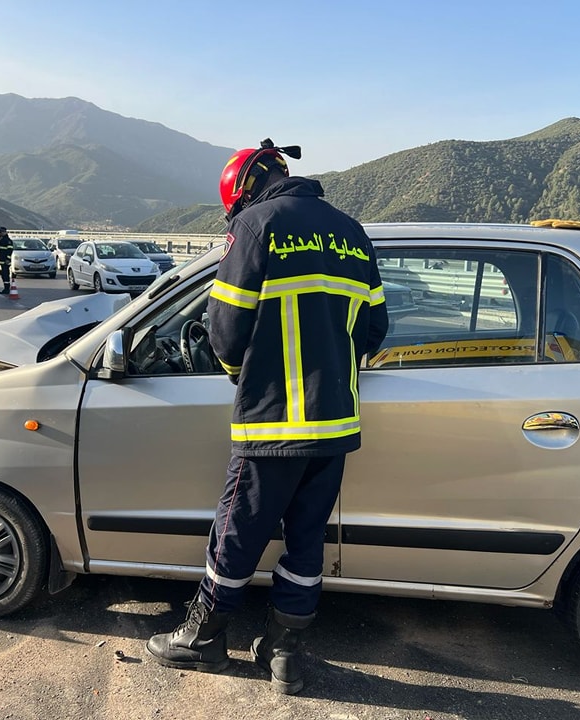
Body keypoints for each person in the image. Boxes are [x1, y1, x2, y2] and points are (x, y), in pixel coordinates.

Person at [146, 139, 389, 694]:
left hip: (271, 424)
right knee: (306, 541)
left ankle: (203, 638)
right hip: (335, 427)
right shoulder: (352, 233)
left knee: (235, 535)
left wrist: (240, 372)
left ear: (244, 189)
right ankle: (284, 654)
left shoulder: (255, 227)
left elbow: (225, 332)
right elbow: (374, 332)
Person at [0, 226, 13, 294]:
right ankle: (5, 288)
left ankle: (7, 289)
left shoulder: (8, 241)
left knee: (5, 274)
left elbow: (10, 250)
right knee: (3, 274)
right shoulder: (2, 240)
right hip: (2, 261)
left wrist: (8, 259)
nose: (0, 233)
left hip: (5, 261)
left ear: (4, 232)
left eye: (1, 232)